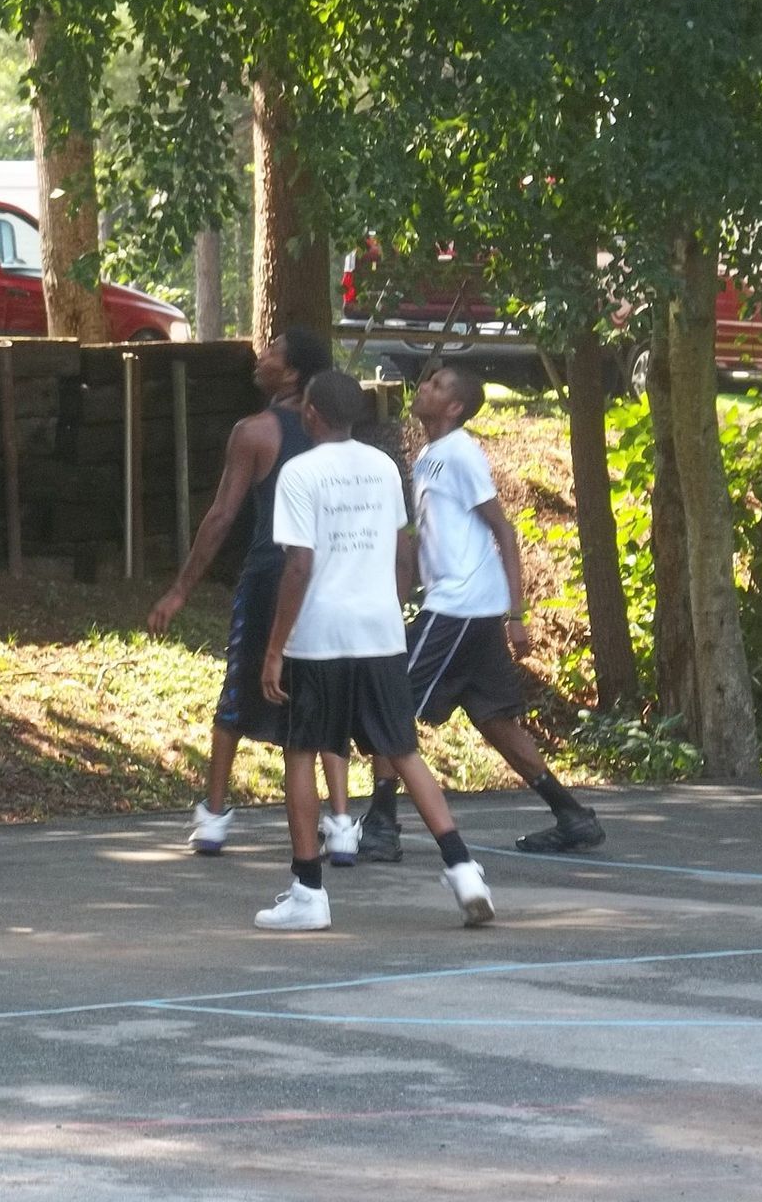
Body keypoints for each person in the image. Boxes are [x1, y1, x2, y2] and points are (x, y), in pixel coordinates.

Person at [258, 368, 494, 931]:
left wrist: (274, 648)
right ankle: (463, 871)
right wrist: (390, 605)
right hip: (380, 631)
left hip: (320, 636)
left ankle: (308, 891)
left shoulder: (299, 472)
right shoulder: (385, 466)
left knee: (302, 752)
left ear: (311, 414)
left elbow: (298, 564)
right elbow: (402, 552)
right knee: (403, 750)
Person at [357, 365, 605, 861]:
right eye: (427, 382)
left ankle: (382, 824)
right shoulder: (428, 456)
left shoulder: (461, 454)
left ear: (454, 408)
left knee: (389, 699)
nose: (424, 387)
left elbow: (504, 530)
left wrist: (517, 613)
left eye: (437, 386)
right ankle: (572, 816)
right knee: (495, 721)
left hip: (460, 607)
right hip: (463, 606)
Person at [147, 328, 357, 864]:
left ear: (289, 375)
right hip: (330, 579)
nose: (259, 357)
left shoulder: (256, 431)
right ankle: (340, 824)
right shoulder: (347, 443)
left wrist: (179, 590)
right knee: (324, 701)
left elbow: (221, 517)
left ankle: (214, 817)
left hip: (271, 575)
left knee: (238, 696)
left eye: (271, 352)